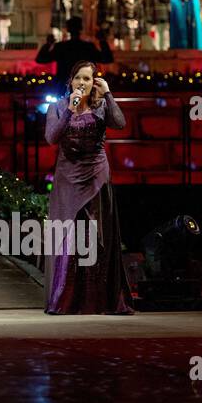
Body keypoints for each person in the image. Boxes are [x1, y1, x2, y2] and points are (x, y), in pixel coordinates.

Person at [43, 62, 133, 316]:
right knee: (69, 237)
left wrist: (109, 94)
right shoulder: (58, 107)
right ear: (70, 81)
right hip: (68, 179)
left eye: (88, 79)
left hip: (96, 176)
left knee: (96, 236)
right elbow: (52, 137)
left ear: (94, 82)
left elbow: (120, 123)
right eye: (78, 78)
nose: (82, 83)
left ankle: (101, 301)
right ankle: (66, 299)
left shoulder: (101, 106)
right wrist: (71, 111)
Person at [35, 17, 113, 90]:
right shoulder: (88, 47)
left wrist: (48, 44)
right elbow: (107, 59)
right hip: (85, 88)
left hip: (64, 87)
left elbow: (41, 59)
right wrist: (102, 41)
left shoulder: (61, 47)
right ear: (81, 28)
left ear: (68, 29)